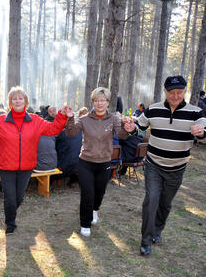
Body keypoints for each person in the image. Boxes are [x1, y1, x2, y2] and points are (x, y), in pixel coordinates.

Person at [127, 75, 206, 256]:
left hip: (177, 168)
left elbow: (203, 126)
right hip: (154, 164)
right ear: (165, 92)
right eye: (172, 92)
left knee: (165, 203)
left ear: (185, 91)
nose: (176, 96)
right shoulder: (153, 109)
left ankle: (157, 231)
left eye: (180, 92)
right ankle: (145, 241)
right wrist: (132, 128)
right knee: (151, 200)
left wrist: (201, 132)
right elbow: (139, 126)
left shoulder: (195, 112)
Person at [0, 86, 69, 234]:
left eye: (20, 98)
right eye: (14, 98)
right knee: (10, 198)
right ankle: (10, 224)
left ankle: (11, 214)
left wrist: (62, 115)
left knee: (19, 197)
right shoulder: (0, 121)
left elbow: (53, 129)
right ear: (10, 103)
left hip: (27, 166)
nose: (17, 101)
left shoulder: (35, 120)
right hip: (6, 167)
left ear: (25, 101)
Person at [65, 87, 133, 238]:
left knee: (99, 192)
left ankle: (95, 210)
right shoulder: (84, 119)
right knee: (87, 193)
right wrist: (70, 118)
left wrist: (127, 128)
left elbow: (122, 135)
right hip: (86, 162)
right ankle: (85, 223)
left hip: (104, 163)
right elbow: (70, 133)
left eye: (102, 100)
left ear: (108, 102)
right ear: (93, 102)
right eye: (96, 100)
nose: (99, 103)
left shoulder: (114, 119)